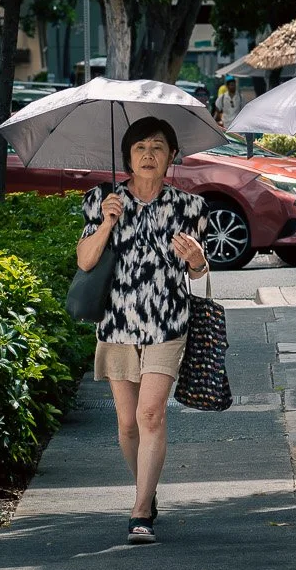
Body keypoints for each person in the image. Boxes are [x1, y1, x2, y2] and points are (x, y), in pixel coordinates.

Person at [77, 117, 210, 544]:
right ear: (127, 158)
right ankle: (147, 492)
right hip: (117, 324)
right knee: (127, 424)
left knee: (150, 414)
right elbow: (84, 261)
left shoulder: (191, 207)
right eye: (139, 148)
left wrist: (196, 260)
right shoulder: (101, 198)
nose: (148, 155)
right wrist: (106, 223)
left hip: (168, 323)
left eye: (157, 147)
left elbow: (199, 273)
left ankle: (139, 513)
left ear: (172, 155)